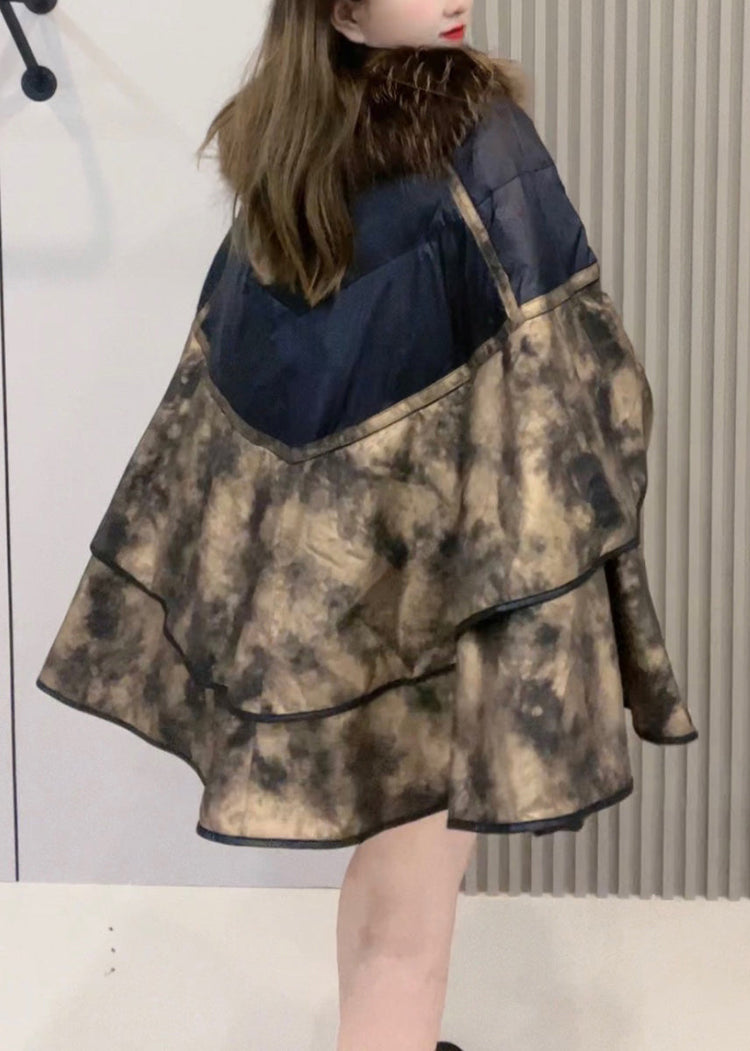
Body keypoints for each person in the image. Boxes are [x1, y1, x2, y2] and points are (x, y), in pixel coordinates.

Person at [35, 2, 700, 1050]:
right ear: (343, 10)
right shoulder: (476, 132)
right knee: (417, 895)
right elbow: (571, 353)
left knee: (389, 862)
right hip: (447, 586)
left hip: (329, 592)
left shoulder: (287, 142)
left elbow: (234, 385)